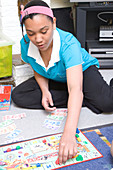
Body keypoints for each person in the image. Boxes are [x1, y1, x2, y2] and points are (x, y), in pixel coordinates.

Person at [12, 0, 113, 164]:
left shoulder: (68, 43)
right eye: (31, 33)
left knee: (107, 103)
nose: (38, 39)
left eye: (44, 31)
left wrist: (68, 133)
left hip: (83, 70)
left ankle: (83, 97)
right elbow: (38, 69)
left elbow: (74, 88)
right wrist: (45, 90)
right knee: (19, 96)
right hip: (56, 77)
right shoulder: (26, 44)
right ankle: (83, 99)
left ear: (53, 22)